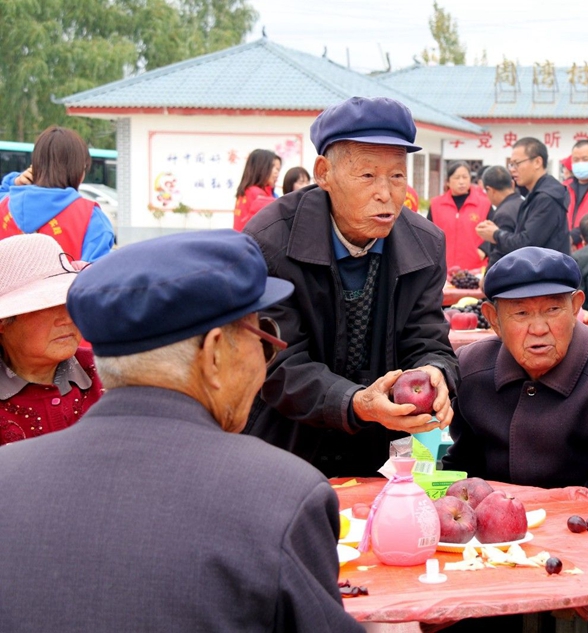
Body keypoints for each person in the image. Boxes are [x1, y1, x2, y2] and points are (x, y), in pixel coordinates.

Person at [0, 230, 363, 632]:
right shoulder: (283, 495)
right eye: (263, 340)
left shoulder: (6, 476)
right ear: (213, 355)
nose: (265, 362)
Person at [242, 96, 458, 477]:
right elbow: (278, 362)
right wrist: (355, 401)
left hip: (385, 449)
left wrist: (436, 371)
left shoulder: (425, 243)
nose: (386, 192)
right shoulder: (271, 239)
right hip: (287, 446)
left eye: (397, 175)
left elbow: (427, 338)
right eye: (367, 175)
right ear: (324, 173)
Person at [442, 247, 588, 497]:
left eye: (553, 310)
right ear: (494, 319)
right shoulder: (470, 368)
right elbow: (462, 471)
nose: (539, 329)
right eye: (521, 313)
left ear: (576, 307)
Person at [0, 234, 103, 445]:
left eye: (70, 302)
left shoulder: (108, 372)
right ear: (3, 322)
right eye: (46, 306)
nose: (67, 318)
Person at [0, 126, 114, 261]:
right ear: (80, 170)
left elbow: (5, 188)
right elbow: (97, 278)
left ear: (34, 166)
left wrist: (15, 181)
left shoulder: (4, 204)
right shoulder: (92, 218)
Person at [475, 137, 571, 257]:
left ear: (537, 162)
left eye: (517, 164)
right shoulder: (534, 194)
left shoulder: (546, 198)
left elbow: (527, 244)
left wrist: (496, 234)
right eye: (511, 165)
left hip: (548, 272)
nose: (513, 170)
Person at [428, 161, 491, 271]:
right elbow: (427, 234)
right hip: (443, 269)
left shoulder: (485, 204)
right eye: (457, 178)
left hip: (475, 269)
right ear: (448, 181)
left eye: (465, 177)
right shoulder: (436, 204)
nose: (461, 182)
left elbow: (496, 231)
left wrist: (484, 250)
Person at [479, 165, 522, 268]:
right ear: (512, 184)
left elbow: (500, 250)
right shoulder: (523, 203)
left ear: (490, 190)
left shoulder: (502, 213)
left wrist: (487, 276)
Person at [233, 149, 281, 232]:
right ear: (261, 167)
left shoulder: (245, 191)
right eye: (274, 167)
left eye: (278, 169)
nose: (277, 173)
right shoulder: (258, 195)